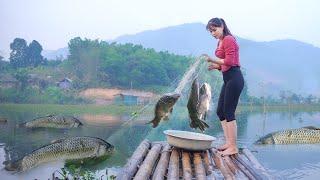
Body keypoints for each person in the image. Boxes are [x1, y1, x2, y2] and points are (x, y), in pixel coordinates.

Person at [202, 18, 244, 156]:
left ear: (222, 26)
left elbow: (232, 62)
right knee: (221, 111)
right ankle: (228, 142)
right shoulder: (220, 41)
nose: (213, 33)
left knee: (229, 111)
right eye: (211, 32)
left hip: (235, 78)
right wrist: (217, 67)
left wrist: (212, 59)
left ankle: (233, 146)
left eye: (214, 30)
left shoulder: (228, 39)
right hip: (228, 79)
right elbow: (226, 64)